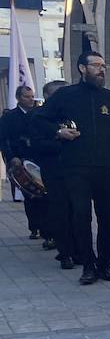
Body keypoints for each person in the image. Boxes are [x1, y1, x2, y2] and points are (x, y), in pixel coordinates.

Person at [37, 50, 110, 285]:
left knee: (106, 218)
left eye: (103, 66)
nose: (101, 70)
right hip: (75, 167)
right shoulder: (65, 96)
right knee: (81, 216)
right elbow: (38, 120)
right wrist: (58, 132)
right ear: (82, 68)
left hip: (106, 167)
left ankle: (105, 266)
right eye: (96, 65)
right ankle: (88, 266)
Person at [1, 84, 49, 242]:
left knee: (43, 195)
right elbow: (4, 139)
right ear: (18, 98)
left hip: (39, 159)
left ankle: (45, 228)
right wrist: (11, 156)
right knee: (30, 195)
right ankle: (34, 227)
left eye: (31, 96)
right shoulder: (10, 117)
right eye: (26, 97)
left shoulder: (39, 114)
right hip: (19, 160)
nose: (30, 99)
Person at [35, 81, 70, 262]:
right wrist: (60, 139)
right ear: (49, 96)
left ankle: (79, 249)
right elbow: (36, 144)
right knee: (60, 211)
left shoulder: (70, 113)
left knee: (78, 212)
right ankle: (64, 252)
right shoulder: (39, 117)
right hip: (54, 170)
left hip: (75, 171)